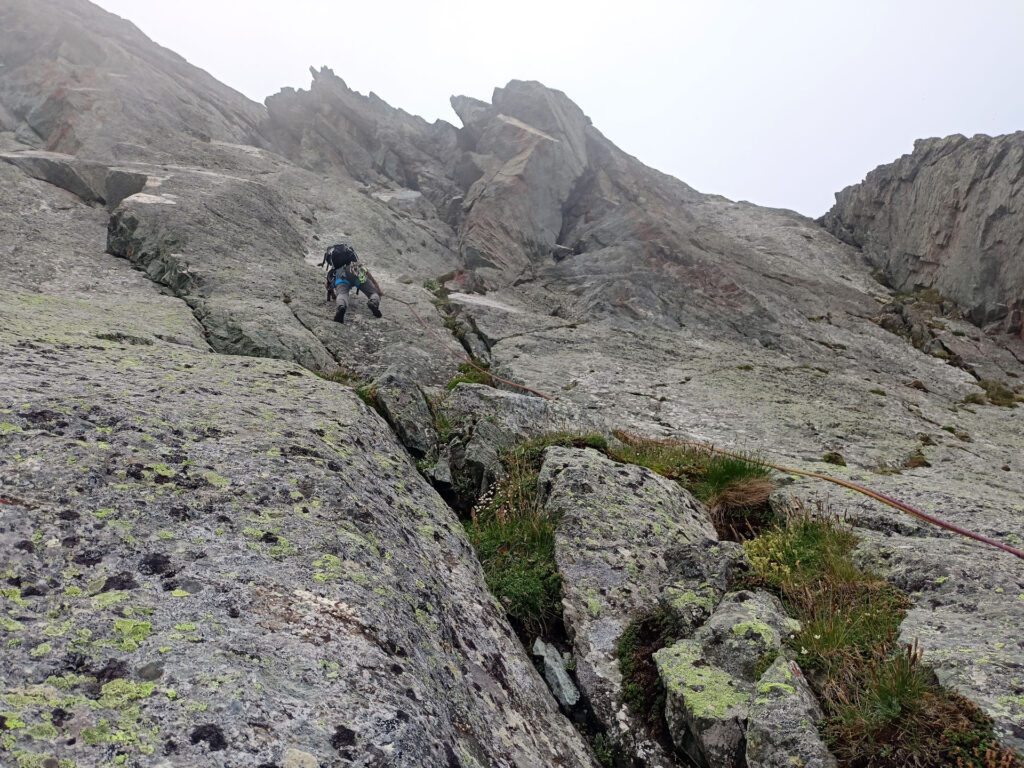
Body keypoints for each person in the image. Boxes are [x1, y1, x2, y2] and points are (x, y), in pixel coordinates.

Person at [321, 243, 382, 324]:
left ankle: (341, 306)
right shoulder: (355, 261)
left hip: (341, 275)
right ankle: (373, 301)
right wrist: (378, 290)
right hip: (356, 271)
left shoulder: (334, 269)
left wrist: (333, 295)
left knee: (342, 294)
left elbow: (328, 285)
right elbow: (369, 275)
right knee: (373, 293)